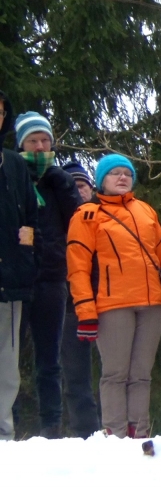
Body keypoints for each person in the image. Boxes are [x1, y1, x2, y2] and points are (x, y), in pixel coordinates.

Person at [66, 154, 161, 438]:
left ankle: (139, 432)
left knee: (141, 374)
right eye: (114, 173)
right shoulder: (86, 215)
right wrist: (85, 312)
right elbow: (78, 269)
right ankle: (116, 435)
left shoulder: (146, 211)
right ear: (101, 181)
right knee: (116, 373)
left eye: (127, 174)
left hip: (153, 303)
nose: (122, 178)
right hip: (112, 304)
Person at [14, 112, 80, 437]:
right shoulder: (10, 176)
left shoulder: (58, 181)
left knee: (49, 360)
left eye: (45, 140)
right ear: (20, 144)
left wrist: (65, 184)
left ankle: (51, 427)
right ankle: (7, 425)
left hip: (53, 277)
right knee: (8, 357)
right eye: (32, 141)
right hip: (16, 279)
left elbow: (77, 225)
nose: (40, 147)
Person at [0, 91, 38, 441]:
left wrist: (26, 250)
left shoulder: (12, 163)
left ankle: (3, 435)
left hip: (7, 280)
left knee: (6, 368)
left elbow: (30, 217)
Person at [59, 162, 101, 438]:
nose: (78, 192)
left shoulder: (105, 216)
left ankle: (115, 428)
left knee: (114, 373)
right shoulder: (55, 217)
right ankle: (84, 432)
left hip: (108, 302)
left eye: (82, 186)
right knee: (75, 375)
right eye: (72, 187)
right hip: (70, 305)